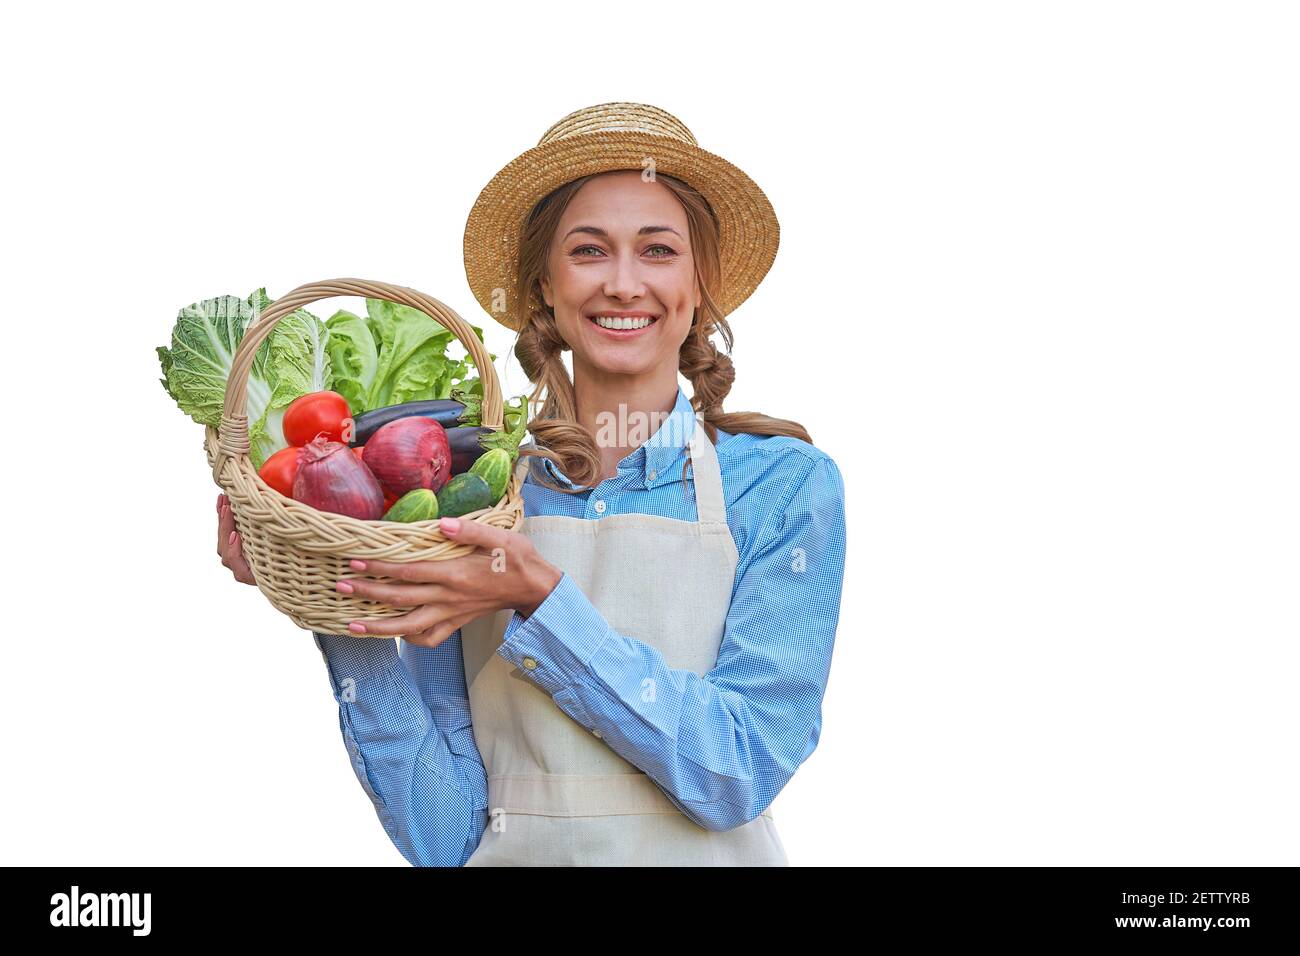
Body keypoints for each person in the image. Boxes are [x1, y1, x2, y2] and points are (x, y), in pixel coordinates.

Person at [216, 102, 847, 866]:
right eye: (587, 251)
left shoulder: (781, 487)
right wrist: (341, 593)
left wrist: (542, 602)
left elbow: (736, 770)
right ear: (544, 285)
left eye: (657, 250)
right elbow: (448, 838)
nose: (622, 283)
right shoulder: (478, 497)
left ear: (699, 283)